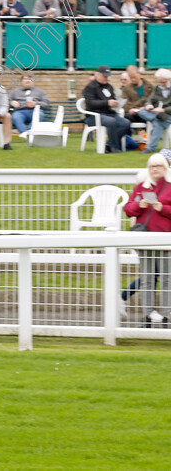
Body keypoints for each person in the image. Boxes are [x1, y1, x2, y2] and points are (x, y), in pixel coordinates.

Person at [123, 153, 171, 328]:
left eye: (159, 166)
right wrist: (139, 205)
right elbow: (128, 209)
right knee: (147, 278)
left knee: (167, 278)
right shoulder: (141, 187)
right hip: (144, 238)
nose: (155, 169)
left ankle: (167, 314)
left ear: (166, 168)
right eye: (152, 166)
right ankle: (148, 314)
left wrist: (162, 208)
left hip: (165, 239)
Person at [82, 65, 130, 153]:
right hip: (93, 115)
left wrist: (115, 103)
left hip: (108, 113)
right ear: (98, 75)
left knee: (125, 123)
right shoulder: (90, 87)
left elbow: (112, 98)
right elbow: (90, 103)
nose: (106, 78)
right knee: (111, 121)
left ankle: (109, 145)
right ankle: (114, 147)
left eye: (107, 76)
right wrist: (107, 103)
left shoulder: (109, 87)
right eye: (104, 76)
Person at [137, 69, 171, 154]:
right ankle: (160, 118)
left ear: (168, 80)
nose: (161, 84)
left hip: (168, 113)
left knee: (157, 123)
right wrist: (149, 105)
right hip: (158, 114)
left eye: (163, 82)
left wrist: (163, 110)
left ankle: (150, 148)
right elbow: (149, 100)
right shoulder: (157, 88)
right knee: (141, 111)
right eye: (160, 82)